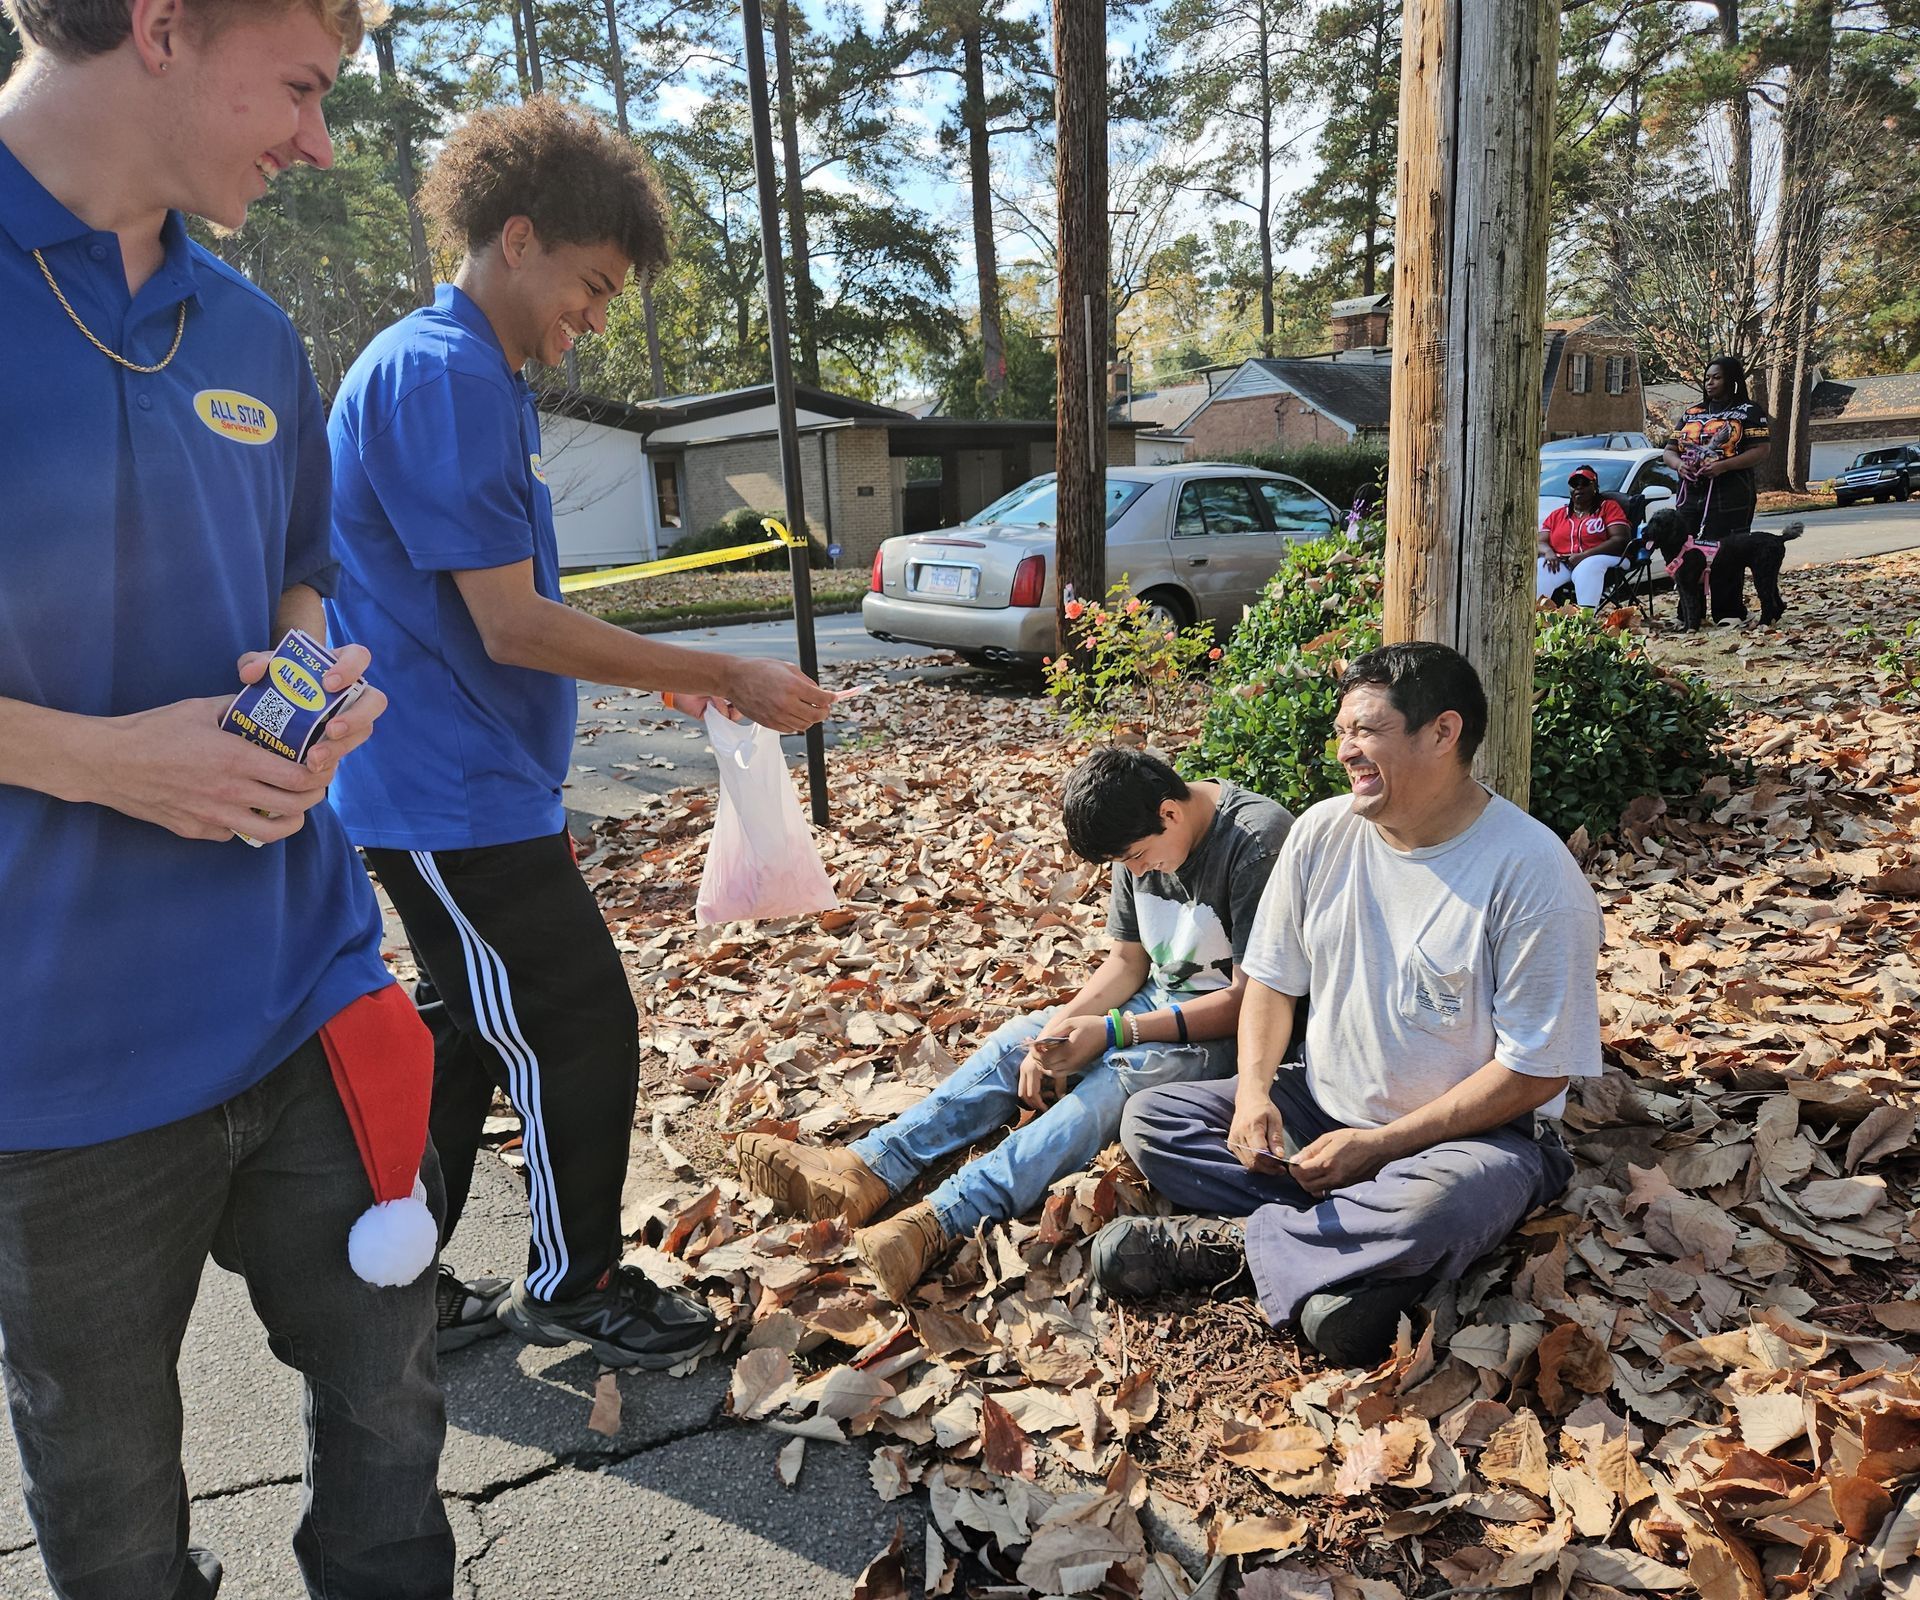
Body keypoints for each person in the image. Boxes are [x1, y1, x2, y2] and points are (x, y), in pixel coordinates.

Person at [0, 2, 455, 1596]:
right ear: (165, 24)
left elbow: (299, 575)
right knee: (114, 1525)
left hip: (307, 985)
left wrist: (309, 687)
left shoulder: (254, 328)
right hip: (48, 1064)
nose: (320, 141)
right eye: (306, 87)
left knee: (394, 1417)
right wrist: (99, 758)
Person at [324, 97, 835, 1370]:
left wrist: (661, 675)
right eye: (591, 286)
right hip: (446, 790)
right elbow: (510, 622)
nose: (593, 319)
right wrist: (715, 663)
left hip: (468, 777)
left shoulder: (467, 372)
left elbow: (508, 614)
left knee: (462, 1023)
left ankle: (382, 1278)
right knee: (574, 1018)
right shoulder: (440, 373)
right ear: (516, 237)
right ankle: (576, 1280)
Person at [1090, 644, 1601, 1369]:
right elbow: (1268, 980)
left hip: (1471, 1141)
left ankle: (1243, 1251)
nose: (1346, 751)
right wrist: (1257, 1095)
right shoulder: (1323, 831)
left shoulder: (1531, 872)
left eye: (1366, 731)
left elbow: (1537, 1073)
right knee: (1153, 1121)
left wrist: (1385, 1147)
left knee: (1441, 1203)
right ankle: (1357, 1273)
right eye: (1341, 733)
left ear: (1443, 732)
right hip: (1319, 1107)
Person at [735, 747, 1294, 1303]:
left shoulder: (1254, 842)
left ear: (1170, 813)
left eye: (1139, 859)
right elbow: (1128, 963)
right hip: (1156, 1000)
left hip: (1233, 1036)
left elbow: (1254, 999)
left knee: (1116, 1081)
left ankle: (943, 1218)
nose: (1136, 872)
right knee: (1016, 1041)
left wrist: (1117, 1033)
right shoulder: (1138, 839)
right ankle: (866, 1170)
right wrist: (1063, 1027)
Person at [1661, 354, 1788, 628]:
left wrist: (1724, 466)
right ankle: (1690, 615)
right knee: (1686, 552)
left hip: (1731, 495)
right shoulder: (1691, 413)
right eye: (1707, 377)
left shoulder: (1749, 411)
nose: (1710, 382)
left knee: (1726, 555)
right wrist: (1679, 466)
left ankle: (1728, 613)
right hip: (1690, 495)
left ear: (1732, 380)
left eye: (1717, 377)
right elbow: (1669, 451)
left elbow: (1761, 450)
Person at [1536, 464, 1631, 607]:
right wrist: (1548, 551)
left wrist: (1584, 555)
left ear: (1595, 486)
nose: (1578, 487)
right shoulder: (1558, 514)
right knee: (1541, 566)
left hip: (1607, 560)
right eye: (1574, 484)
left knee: (1588, 566)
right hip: (1564, 562)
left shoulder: (1608, 507)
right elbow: (1539, 542)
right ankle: (1540, 620)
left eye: (1584, 483)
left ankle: (1585, 623)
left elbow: (1620, 540)